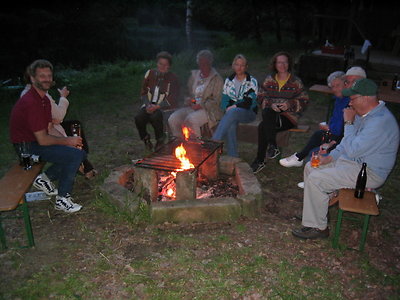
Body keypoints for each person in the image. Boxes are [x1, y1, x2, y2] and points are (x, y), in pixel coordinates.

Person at [292, 78, 399, 239]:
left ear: (366, 98)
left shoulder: (380, 122)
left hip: (368, 172)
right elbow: (344, 145)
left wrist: (348, 122)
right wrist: (329, 158)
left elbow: (353, 149)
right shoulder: (365, 115)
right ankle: (315, 214)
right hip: (353, 163)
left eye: (353, 98)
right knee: (311, 167)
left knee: (316, 179)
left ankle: (319, 228)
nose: (350, 102)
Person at [10, 59, 85, 213]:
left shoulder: (43, 98)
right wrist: (67, 141)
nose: (47, 79)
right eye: (42, 76)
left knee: (76, 153)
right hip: (27, 148)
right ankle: (62, 199)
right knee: (74, 156)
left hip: (35, 141)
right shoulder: (32, 102)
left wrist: (68, 143)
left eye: (49, 75)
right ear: (32, 78)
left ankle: (45, 178)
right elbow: (43, 139)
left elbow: (49, 128)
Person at [21, 71, 97, 179]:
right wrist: (63, 97)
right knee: (73, 137)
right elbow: (58, 116)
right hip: (44, 134)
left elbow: (54, 117)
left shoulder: (27, 91)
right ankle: (84, 164)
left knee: (75, 125)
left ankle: (84, 163)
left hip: (46, 129)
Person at [251, 51, 309, 174]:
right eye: (279, 62)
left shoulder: (295, 82)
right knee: (265, 117)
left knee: (264, 123)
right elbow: (260, 96)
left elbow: (304, 101)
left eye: (285, 62)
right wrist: (271, 104)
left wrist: (289, 104)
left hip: (289, 117)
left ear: (289, 64)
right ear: (275, 64)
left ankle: (261, 159)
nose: (282, 65)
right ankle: (271, 147)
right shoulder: (269, 80)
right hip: (271, 115)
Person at [279, 71, 350, 168]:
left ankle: (302, 159)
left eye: (338, 85)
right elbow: (336, 120)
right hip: (335, 135)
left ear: (346, 84)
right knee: (318, 135)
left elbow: (343, 128)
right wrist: (329, 126)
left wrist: (329, 128)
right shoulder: (338, 100)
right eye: (332, 87)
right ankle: (299, 157)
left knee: (314, 154)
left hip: (342, 139)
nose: (335, 89)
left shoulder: (349, 102)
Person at [168, 49, 224, 139]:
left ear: (210, 63)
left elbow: (217, 100)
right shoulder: (194, 75)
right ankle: (179, 142)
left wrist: (201, 105)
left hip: (210, 111)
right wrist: (188, 99)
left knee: (191, 119)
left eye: (205, 64)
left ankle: (195, 147)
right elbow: (188, 92)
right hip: (192, 107)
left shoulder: (217, 79)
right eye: (200, 64)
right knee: (173, 119)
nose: (202, 66)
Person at [212, 54, 258, 157]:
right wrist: (227, 108)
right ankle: (233, 156)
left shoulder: (252, 81)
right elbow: (224, 99)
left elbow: (249, 102)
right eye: (237, 64)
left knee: (233, 112)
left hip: (248, 113)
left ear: (246, 67)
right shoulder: (229, 81)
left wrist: (234, 107)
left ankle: (215, 140)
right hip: (232, 114)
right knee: (231, 123)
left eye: (242, 65)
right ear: (233, 66)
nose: (239, 67)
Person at [134, 51, 180, 151]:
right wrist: (147, 105)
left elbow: (173, 98)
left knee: (156, 116)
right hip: (149, 105)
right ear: (157, 64)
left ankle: (160, 140)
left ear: (169, 66)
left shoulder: (173, 78)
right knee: (138, 118)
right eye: (160, 64)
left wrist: (157, 106)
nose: (162, 67)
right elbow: (144, 91)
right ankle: (145, 138)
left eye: (166, 65)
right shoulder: (150, 73)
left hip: (164, 107)